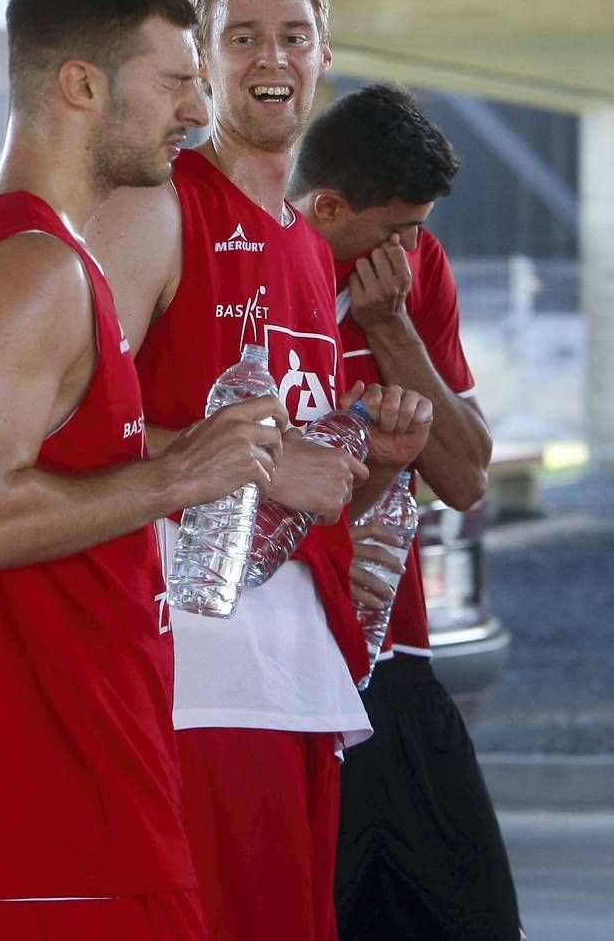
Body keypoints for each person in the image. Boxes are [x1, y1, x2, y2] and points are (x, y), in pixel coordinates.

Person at [0, 0, 290, 941]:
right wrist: (180, 474)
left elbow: (23, 466)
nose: (196, 113)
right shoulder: (32, 266)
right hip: (53, 831)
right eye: (173, 83)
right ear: (81, 84)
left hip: (3, 827)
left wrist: (184, 451)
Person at [87, 0, 433, 941]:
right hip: (186, 683)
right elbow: (67, 424)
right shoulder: (155, 207)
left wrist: (376, 472)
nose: (268, 58)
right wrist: (261, 461)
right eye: (240, 37)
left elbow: (294, 506)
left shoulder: (300, 243)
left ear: (327, 54)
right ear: (202, 57)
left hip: (294, 684)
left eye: (292, 34)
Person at [289, 83, 524, 941]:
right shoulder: (255, 276)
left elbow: (464, 475)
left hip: (396, 665)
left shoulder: (415, 274)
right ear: (326, 207)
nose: (412, 245)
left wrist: (393, 330)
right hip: (288, 672)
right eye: (396, 227)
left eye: (420, 225)